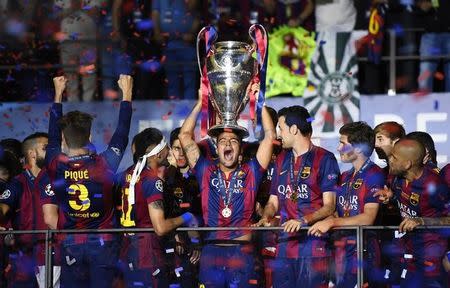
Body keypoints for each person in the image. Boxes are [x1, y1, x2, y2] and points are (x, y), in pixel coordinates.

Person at [41, 74, 132, 287]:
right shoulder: (104, 164)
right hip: (103, 244)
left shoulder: (55, 164)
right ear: (90, 138)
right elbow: (122, 134)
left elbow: (52, 136)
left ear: (63, 140)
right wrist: (126, 94)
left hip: (70, 243)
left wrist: (58, 94)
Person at [178, 94, 275, 287]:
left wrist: (260, 102)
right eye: (223, 141)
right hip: (211, 252)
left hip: (242, 252)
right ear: (216, 147)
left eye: (234, 141)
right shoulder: (205, 170)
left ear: (240, 148)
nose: (228, 145)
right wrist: (200, 102)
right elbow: (184, 136)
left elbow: (270, 136)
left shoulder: (251, 171)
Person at [256, 105, 340, 288]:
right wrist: (266, 216)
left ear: (293, 129)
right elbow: (273, 201)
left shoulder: (325, 159)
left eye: (281, 128)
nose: (278, 134)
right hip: (284, 246)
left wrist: (303, 220)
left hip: (312, 247)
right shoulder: (281, 160)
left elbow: (329, 206)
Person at [117, 127, 198, 287]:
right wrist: (187, 217)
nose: (169, 151)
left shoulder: (128, 174)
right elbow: (160, 227)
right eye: (166, 147)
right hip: (148, 255)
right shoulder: (153, 181)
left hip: (129, 250)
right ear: (158, 154)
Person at [308, 121, 385, 287]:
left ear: (357, 148)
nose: (338, 148)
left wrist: (332, 222)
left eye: (342, 143)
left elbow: (368, 218)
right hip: (342, 252)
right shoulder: (344, 176)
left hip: (364, 254)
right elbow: (338, 212)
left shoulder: (374, 174)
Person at [375, 139, 448, 288]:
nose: (389, 159)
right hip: (408, 253)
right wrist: (391, 198)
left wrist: (421, 221)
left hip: (431, 256)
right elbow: (406, 202)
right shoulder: (397, 179)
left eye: (394, 158)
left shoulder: (433, 185)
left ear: (407, 164)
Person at [0, 132, 55, 288]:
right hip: (24, 262)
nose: (52, 151)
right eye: (46, 147)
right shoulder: (17, 184)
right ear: (32, 153)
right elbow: (3, 209)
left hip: (53, 257)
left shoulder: (57, 179)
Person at [163, 127, 202, 287]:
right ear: (170, 150)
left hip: (198, 246)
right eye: (176, 148)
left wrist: (196, 242)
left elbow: (200, 213)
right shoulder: (163, 175)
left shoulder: (200, 174)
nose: (180, 154)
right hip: (172, 247)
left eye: (183, 148)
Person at [152, 0, 201, 99]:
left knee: (189, 82)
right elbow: (155, 13)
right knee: (172, 81)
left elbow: (197, 13)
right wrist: (157, 33)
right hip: (168, 44)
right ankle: (174, 111)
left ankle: (190, 111)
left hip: (188, 45)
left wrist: (192, 33)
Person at [416, 0, 450, 92]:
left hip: (448, 34)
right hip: (430, 35)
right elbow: (416, 6)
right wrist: (422, 6)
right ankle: (424, 103)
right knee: (427, 70)